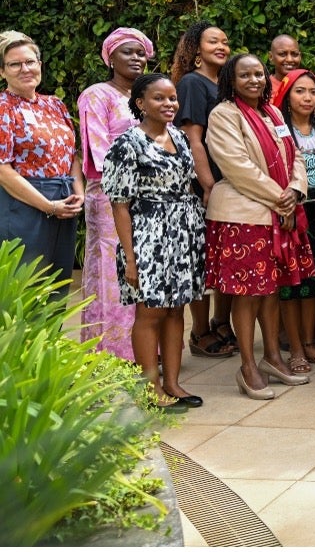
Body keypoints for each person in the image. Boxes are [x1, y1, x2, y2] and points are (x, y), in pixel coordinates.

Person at [204, 54, 315, 400]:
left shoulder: (274, 113)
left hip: (277, 213)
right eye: (244, 75)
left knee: (272, 289)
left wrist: (295, 189)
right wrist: (281, 199)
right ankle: (248, 365)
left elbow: (293, 154)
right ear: (231, 80)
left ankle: (272, 357)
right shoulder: (223, 114)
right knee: (247, 293)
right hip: (243, 216)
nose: (253, 80)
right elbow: (236, 166)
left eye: (258, 74)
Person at [102, 73, 207, 409]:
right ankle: (151, 389)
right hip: (149, 235)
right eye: (159, 98)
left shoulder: (177, 134)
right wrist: (131, 259)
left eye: (172, 98)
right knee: (151, 312)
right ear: (140, 103)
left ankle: (173, 384)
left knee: (176, 310)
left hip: (183, 233)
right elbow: (119, 204)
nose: (169, 104)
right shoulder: (127, 144)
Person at [77, 27, 152, 359]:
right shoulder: (97, 95)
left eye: (140, 53)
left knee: (142, 269)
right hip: (111, 198)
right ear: (110, 57)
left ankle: (147, 351)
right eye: (127, 52)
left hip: (149, 198)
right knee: (113, 273)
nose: (136, 58)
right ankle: (113, 355)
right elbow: (99, 149)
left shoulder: (146, 95)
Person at [0, 32, 84, 289]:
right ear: (2, 72)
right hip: (24, 203)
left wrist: (78, 193)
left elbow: (72, 155)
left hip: (63, 200)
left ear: (39, 65)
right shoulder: (3, 107)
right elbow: (2, 169)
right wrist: (49, 206)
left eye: (30, 62)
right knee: (26, 288)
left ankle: (54, 332)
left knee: (57, 286)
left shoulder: (55, 104)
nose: (25, 69)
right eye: (15, 64)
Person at [171, 21, 235, 356]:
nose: (222, 46)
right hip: (203, 186)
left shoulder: (223, 84)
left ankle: (222, 322)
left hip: (229, 182)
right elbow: (192, 139)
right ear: (196, 49)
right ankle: (199, 331)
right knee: (199, 258)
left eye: (225, 41)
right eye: (214, 42)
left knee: (225, 256)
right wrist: (207, 185)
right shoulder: (193, 84)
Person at [275, 69, 315, 372]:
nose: (308, 98)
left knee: (314, 280)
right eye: (300, 91)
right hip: (290, 213)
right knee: (290, 282)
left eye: (313, 92)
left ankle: (310, 343)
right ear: (287, 95)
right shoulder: (278, 130)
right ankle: (295, 349)